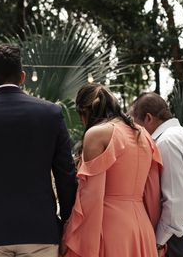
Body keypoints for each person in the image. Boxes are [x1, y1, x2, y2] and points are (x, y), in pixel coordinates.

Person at [0, 43, 77, 257]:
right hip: (40, 232)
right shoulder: (51, 114)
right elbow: (66, 176)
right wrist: (67, 223)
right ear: (22, 77)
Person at [62, 83, 162, 257]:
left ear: (84, 113)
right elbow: (153, 192)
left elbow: (91, 198)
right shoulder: (143, 134)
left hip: (108, 229)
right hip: (142, 229)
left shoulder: (97, 134)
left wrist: (71, 235)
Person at [131, 92, 183, 257]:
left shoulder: (167, 142)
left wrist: (158, 243)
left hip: (177, 235)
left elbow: (175, 203)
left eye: (136, 125)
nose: (136, 132)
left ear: (148, 118)